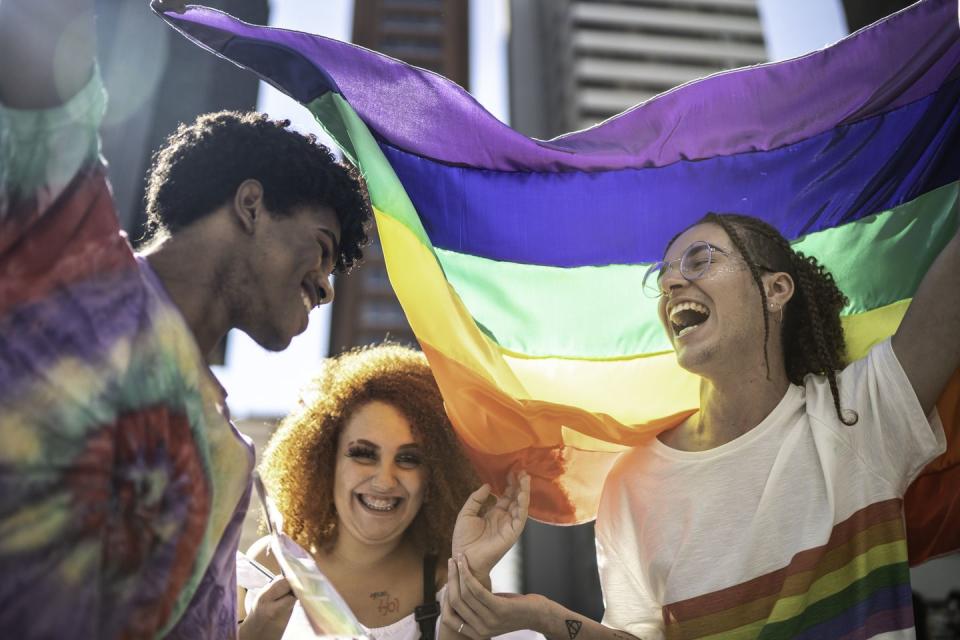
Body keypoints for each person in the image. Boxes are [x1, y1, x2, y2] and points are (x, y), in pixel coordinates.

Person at [0, 0, 371, 637]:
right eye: (323, 248)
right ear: (252, 204)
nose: (328, 286)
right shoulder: (64, 242)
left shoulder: (228, 461)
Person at [441, 211, 958, 639]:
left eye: (700, 259)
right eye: (663, 274)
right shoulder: (633, 485)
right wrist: (541, 616)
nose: (670, 282)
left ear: (776, 289)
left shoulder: (861, 416)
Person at [241, 343, 535, 640]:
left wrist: (472, 577)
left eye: (408, 459)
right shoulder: (270, 562)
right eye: (363, 454)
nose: (384, 480)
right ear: (325, 459)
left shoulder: (447, 581)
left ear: (434, 475)